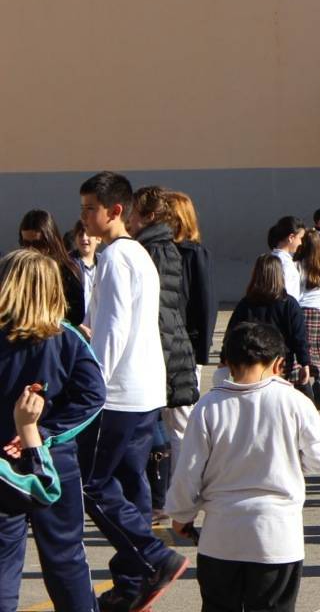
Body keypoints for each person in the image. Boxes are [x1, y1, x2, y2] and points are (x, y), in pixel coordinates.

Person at [166, 322, 320, 612]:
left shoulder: (208, 406)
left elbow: (188, 472)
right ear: (279, 364)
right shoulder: (295, 402)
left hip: (221, 536)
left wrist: (181, 515)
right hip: (277, 536)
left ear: (226, 363)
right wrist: (292, 460)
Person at [77, 171, 189, 610]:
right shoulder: (139, 254)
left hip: (118, 393)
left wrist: (92, 385)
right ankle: (133, 582)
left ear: (116, 210)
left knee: (90, 485)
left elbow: (114, 329)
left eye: (91, 208)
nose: (85, 217)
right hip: (144, 390)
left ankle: (151, 556)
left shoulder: (116, 258)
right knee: (130, 484)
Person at [0, 250, 106, 612]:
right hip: (53, 462)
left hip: (4, 465)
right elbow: (93, 396)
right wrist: (47, 432)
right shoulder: (67, 337)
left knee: (3, 561)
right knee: (66, 557)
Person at [129, 186, 200, 465]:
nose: (128, 220)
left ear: (149, 216)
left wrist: (158, 360)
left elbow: (160, 312)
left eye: (133, 213)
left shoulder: (155, 250)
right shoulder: (158, 247)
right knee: (175, 429)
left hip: (168, 351)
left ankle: (182, 486)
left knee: (178, 431)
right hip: (171, 348)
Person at [227, 255, 312, 388]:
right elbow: (299, 337)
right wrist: (304, 363)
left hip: (250, 363)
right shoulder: (289, 304)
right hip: (279, 363)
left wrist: (225, 359)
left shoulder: (246, 303)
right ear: (279, 275)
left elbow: (232, 333)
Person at [164, 191, 217, 378]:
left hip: (187, 343)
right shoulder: (157, 251)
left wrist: (202, 350)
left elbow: (206, 302)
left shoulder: (194, 253)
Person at [17, 210, 85, 327]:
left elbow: (76, 315)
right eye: (25, 244)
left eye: (38, 244)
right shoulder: (18, 270)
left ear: (50, 241)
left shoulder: (67, 271)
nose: (31, 250)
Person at [296, 229, 320, 408]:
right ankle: (318, 380)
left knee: (304, 350)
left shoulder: (298, 265)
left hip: (302, 311)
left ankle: (305, 386)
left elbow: (295, 291)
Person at [269, 216, 306, 301]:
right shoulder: (283, 262)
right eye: (300, 238)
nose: (301, 243)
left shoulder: (276, 258)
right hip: (285, 307)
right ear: (291, 238)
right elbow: (285, 292)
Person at [68, 220, 100, 315]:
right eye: (80, 235)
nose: (84, 238)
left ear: (98, 239)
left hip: (98, 319)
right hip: (76, 321)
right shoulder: (68, 264)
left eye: (88, 234)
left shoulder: (103, 262)